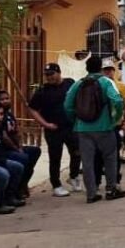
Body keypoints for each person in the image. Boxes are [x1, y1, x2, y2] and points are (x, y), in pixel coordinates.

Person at [64, 56, 125, 203]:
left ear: (86, 68)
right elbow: (117, 100)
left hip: (83, 129)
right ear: (100, 67)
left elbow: (67, 105)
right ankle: (111, 189)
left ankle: (91, 193)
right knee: (110, 159)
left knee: (87, 162)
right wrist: (115, 118)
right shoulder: (106, 82)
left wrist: (76, 120)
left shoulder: (78, 84)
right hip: (105, 127)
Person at [28, 63, 81, 197]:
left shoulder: (70, 83)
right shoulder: (42, 91)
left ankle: (73, 176)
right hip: (53, 129)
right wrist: (45, 124)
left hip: (71, 127)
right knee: (55, 157)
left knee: (77, 152)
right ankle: (56, 184)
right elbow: (32, 109)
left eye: (51, 74)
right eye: (47, 75)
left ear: (59, 73)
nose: (49, 77)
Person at [0, 90, 42, 198]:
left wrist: (20, 146)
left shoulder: (10, 115)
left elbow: (16, 132)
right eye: (2, 99)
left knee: (35, 151)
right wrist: (16, 148)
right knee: (23, 158)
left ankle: (23, 183)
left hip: (14, 147)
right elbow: (4, 137)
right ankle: (16, 189)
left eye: (7, 98)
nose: (5, 101)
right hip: (4, 150)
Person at [95, 59, 125, 187]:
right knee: (97, 156)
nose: (108, 72)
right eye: (105, 70)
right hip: (99, 126)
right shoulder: (97, 85)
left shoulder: (121, 86)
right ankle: (97, 182)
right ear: (101, 71)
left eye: (110, 69)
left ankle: (115, 181)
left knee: (114, 156)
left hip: (115, 126)